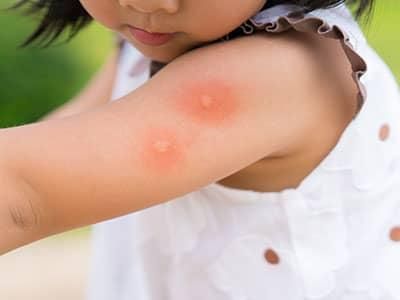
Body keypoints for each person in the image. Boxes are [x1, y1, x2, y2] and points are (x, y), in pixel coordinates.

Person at [3, 0, 400, 298]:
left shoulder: (279, 71)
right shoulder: (158, 40)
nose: (147, 2)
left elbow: (24, 193)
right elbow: (56, 141)